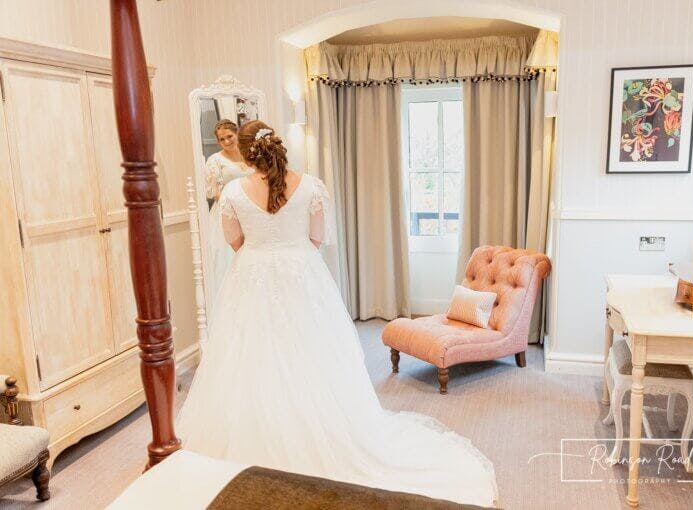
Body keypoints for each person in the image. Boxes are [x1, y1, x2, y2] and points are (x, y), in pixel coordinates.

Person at [176, 120, 497, 506]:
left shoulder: (232, 192)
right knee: (311, 353)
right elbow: (316, 237)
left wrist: (265, 249)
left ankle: (263, 432)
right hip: (302, 274)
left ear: (244, 153)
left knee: (253, 356)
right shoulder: (310, 185)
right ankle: (314, 427)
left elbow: (235, 241)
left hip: (252, 277)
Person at [204, 119, 252, 301]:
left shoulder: (249, 156)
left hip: (250, 212)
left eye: (229, 136)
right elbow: (213, 191)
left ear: (237, 133)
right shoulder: (215, 160)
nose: (226, 142)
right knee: (227, 260)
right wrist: (234, 206)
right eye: (221, 139)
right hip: (226, 213)